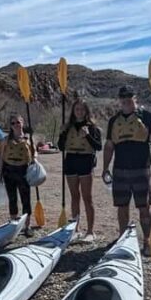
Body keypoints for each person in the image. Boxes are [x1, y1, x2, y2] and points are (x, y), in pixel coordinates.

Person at [102, 85, 151, 257]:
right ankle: (123, 238)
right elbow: (109, 146)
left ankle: (147, 241)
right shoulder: (114, 121)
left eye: (129, 97)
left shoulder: (147, 116)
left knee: (143, 206)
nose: (126, 100)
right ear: (119, 100)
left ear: (135, 98)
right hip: (120, 168)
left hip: (141, 168)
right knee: (122, 207)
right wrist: (105, 167)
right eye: (123, 97)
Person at [58, 99, 102, 242]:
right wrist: (63, 133)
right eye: (77, 109)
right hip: (71, 161)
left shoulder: (93, 127)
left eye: (82, 109)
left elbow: (98, 146)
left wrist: (87, 136)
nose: (79, 111)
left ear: (86, 111)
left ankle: (90, 231)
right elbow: (60, 146)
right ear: (73, 111)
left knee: (87, 198)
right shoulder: (67, 126)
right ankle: (75, 229)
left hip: (85, 161)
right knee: (74, 197)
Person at [0, 114, 34, 237]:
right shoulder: (5, 140)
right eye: (13, 123)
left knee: (26, 199)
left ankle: (27, 226)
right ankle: (13, 223)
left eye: (18, 122)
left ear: (22, 123)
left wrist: (35, 162)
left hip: (23, 171)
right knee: (12, 198)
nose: (16, 125)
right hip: (9, 171)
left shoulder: (29, 139)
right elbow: (1, 157)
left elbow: (34, 154)